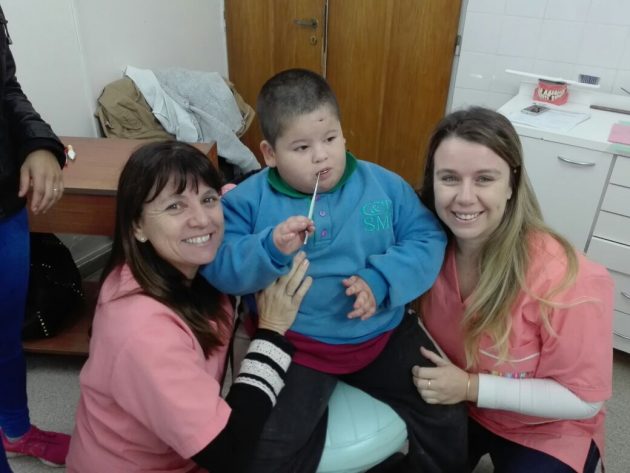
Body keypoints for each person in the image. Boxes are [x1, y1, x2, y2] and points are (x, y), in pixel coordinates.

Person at [200, 68, 467, 473]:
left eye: (330, 139)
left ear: (343, 135)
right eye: (302, 147)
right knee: (262, 451)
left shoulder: (384, 186)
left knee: (447, 415)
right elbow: (219, 264)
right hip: (297, 347)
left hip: (382, 335)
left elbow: (427, 237)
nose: (321, 156)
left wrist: (382, 280)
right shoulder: (250, 200)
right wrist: (269, 248)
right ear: (270, 153)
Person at [65, 141, 312, 473]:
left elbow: (232, 193)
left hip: (173, 450)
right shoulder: (143, 332)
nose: (202, 220)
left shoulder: (176, 263)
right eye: (175, 207)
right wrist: (271, 332)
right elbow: (228, 454)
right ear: (137, 225)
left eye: (208, 200)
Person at [413, 107, 614, 472]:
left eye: (484, 179)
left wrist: (471, 387)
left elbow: (584, 399)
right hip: (457, 404)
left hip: (545, 425)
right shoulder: (422, 250)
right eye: (450, 178)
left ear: (511, 185)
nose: (465, 197)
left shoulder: (569, 278)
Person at [0, 4, 70, 470]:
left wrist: (38, 143)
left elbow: (5, 87)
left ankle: (15, 429)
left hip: (4, 204)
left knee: (6, 335)